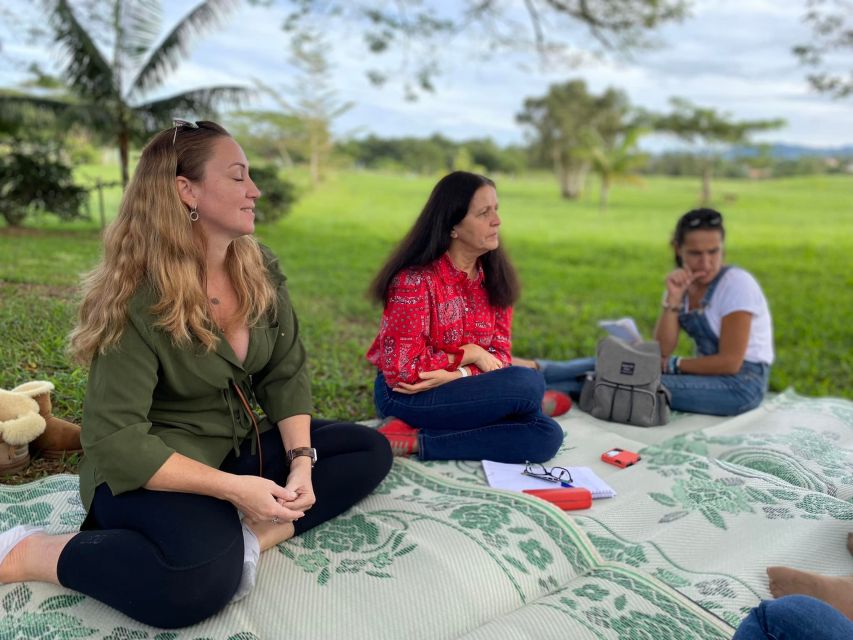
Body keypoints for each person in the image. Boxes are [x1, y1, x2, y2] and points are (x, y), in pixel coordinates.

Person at [0, 120, 392, 628]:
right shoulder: (138, 296)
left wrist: (300, 462)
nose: (254, 190)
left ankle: (251, 538)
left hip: (235, 447)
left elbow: (284, 372)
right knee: (195, 581)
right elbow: (115, 437)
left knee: (366, 449)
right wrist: (233, 490)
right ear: (187, 190)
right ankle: (33, 552)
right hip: (152, 468)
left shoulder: (259, 267)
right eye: (237, 177)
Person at [365, 171, 565, 461]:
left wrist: (459, 373)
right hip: (407, 396)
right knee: (528, 385)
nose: (497, 221)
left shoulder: (494, 279)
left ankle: (415, 440)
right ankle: (505, 410)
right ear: (452, 226)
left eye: (496, 209)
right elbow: (403, 372)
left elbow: (499, 355)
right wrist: (470, 354)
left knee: (547, 435)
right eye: (484, 213)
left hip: (461, 387)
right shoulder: (414, 281)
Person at [516, 208, 774, 416]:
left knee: (630, 381)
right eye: (695, 253)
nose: (706, 262)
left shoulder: (736, 284)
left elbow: (730, 362)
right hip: (709, 374)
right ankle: (532, 373)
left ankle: (527, 391)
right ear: (678, 249)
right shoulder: (682, 283)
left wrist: (673, 365)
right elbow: (662, 350)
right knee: (617, 365)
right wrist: (673, 300)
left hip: (741, 384)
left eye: (713, 252)